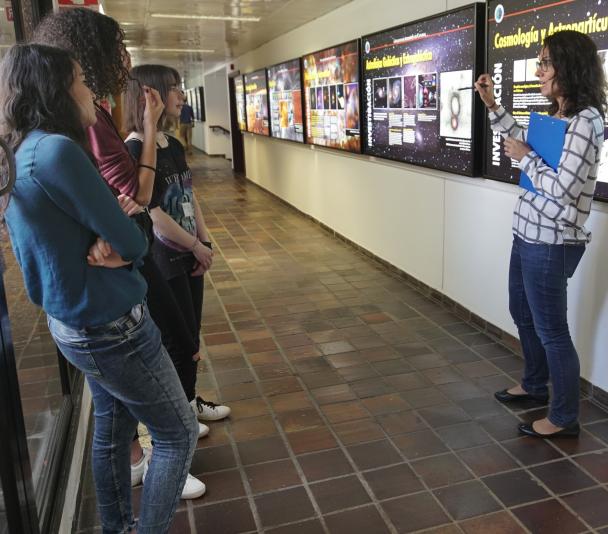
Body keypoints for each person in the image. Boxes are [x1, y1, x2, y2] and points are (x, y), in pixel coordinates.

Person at [32, 8, 230, 499]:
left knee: (117, 405)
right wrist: (120, 232)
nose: (118, 62)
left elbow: (128, 205)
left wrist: (132, 228)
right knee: (166, 370)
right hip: (106, 294)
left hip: (115, 278)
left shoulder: (80, 127)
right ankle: (167, 448)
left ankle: (132, 490)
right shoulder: (61, 142)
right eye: (110, 54)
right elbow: (138, 202)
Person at [0, 43, 197, 533]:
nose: (93, 92)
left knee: (112, 428)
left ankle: (118, 527)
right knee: (177, 433)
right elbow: (132, 238)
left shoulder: (22, 150)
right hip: (112, 324)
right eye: (82, 82)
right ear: (57, 90)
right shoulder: (58, 150)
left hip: (74, 322)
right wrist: (122, 233)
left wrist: (116, 233)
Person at [475, 30, 606, 438]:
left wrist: (528, 159)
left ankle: (564, 417)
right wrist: (494, 106)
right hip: (527, 233)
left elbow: (565, 188)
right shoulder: (558, 116)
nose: (539, 70)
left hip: (551, 241)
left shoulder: (587, 121)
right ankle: (534, 385)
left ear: (568, 67)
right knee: (522, 313)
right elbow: (521, 141)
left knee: (552, 330)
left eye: (546, 63)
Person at [124, 66, 215, 459]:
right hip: (166, 259)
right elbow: (153, 212)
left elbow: (188, 194)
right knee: (176, 341)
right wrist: (194, 246)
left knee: (191, 333)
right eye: (175, 88)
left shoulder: (172, 143)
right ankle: (177, 425)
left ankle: (190, 401)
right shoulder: (134, 148)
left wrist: (205, 239)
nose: (180, 95)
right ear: (152, 94)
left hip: (191, 250)